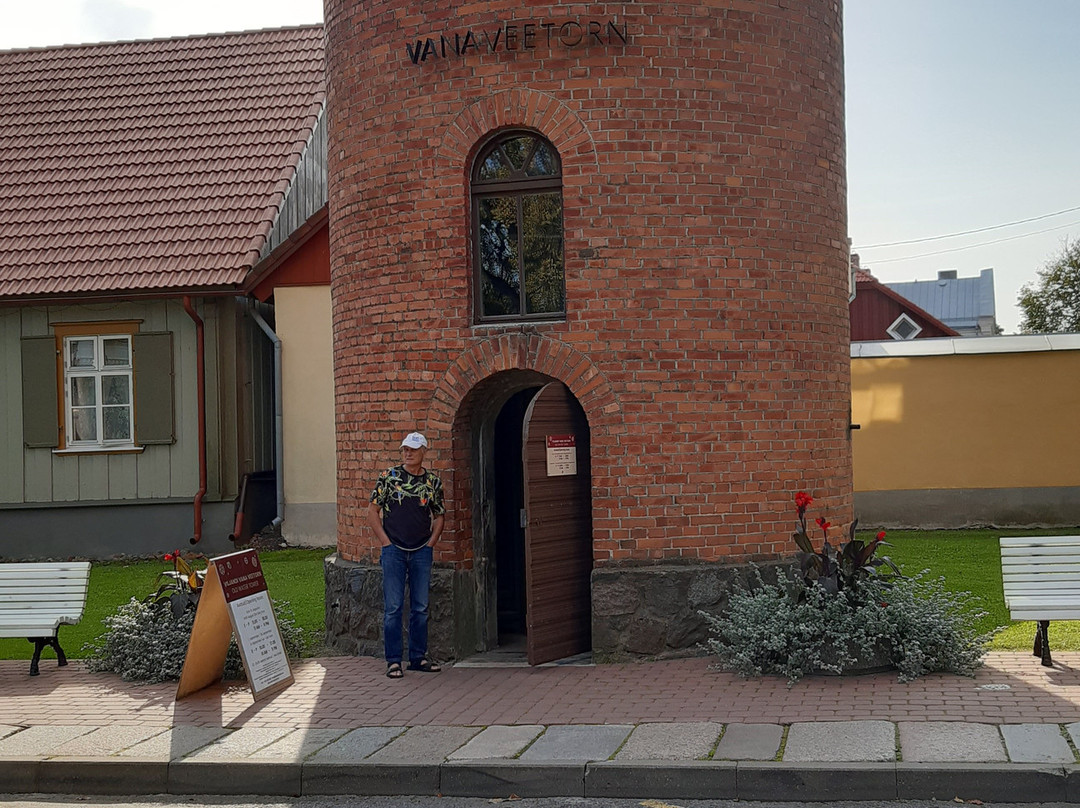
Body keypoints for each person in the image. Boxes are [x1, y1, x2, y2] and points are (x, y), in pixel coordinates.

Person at [368, 431, 445, 679]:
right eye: (405, 450)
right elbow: (372, 511)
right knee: (393, 607)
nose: (408, 453)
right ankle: (393, 660)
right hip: (395, 551)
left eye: (413, 449)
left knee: (420, 607)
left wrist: (431, 542)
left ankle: (417, 657)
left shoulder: (432, 482)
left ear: (423, 451)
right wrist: (386, 542)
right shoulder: (389, 478)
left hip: (421, 549)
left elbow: (439, 514)